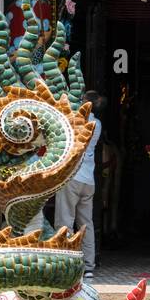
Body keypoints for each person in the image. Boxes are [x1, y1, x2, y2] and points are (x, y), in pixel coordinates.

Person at [57, 92, 104, 277]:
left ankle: (66, 263)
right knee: (86, 223)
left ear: (85, 102)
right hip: (88, 180)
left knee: (65, 221)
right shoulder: (97, 124)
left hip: (72, 177)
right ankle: (88, 265)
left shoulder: (76, 121)